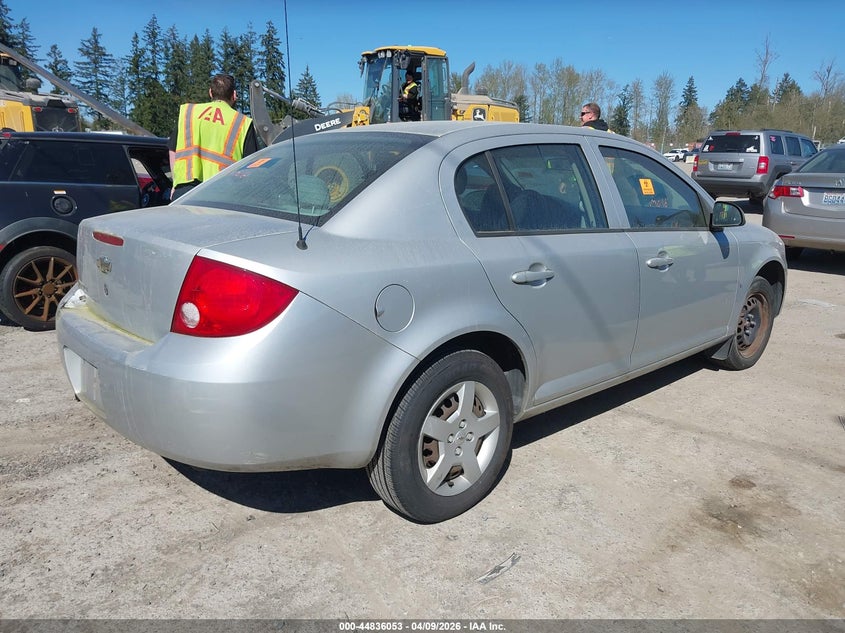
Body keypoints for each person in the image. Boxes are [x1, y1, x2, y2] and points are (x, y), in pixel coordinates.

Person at [169, 73, 258, 200]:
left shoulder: (189, 113)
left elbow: (172, 150)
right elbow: (250, 167)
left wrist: (175, 183)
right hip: (223, 194)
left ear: (210, 92)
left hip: (185, 191)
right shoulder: (242, 122)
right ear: (234, 95)